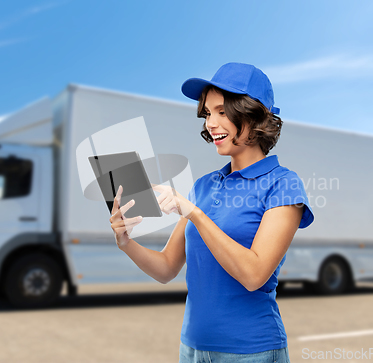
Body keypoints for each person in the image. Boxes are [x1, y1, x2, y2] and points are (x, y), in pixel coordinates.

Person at [109, 62, 315, 363]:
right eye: (207, 113)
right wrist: (126, 242)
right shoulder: (204, 186)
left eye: (221, 111)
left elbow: (254, 274)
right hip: (192, 348)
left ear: (251, 114)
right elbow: (167, 267)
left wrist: (195, 213)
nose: (210, 123)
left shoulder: (283, 185)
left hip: (251, 351)